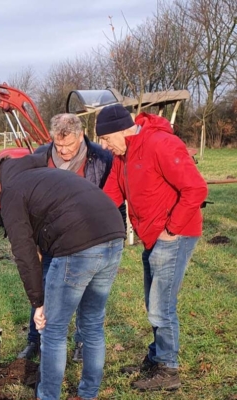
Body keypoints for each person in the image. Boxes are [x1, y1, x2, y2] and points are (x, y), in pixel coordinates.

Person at [0, 153, 126, 400]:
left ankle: (47, 396)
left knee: (53, 329)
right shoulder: (49, 174)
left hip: (78, 245)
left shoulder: (11, 191)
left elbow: (24, 252)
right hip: (114, 234)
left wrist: (38, 304)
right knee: (93, 325)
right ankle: (88, 394)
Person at [96, 104, 208, 391]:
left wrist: (172, 230)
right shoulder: (124, 153)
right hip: (152, 235)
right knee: (153, 302)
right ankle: (158, 357)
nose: (104, 146)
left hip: (174, 235)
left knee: (162, 305)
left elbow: (196, 188)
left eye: (106, 139)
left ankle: (168, 370)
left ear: (121, 130)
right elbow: (111, 194)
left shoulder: (161, 144)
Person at [17, 113, 126, 361]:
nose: (63, 150)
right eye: (59, 145)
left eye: (69, 145)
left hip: (86, 238)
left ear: (81, 137)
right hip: (49, 238)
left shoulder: (101, 158)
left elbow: (112, 198)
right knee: (41, 287)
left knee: (85, 293)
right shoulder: (42, 156)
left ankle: (81, 342)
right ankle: (36, 340)